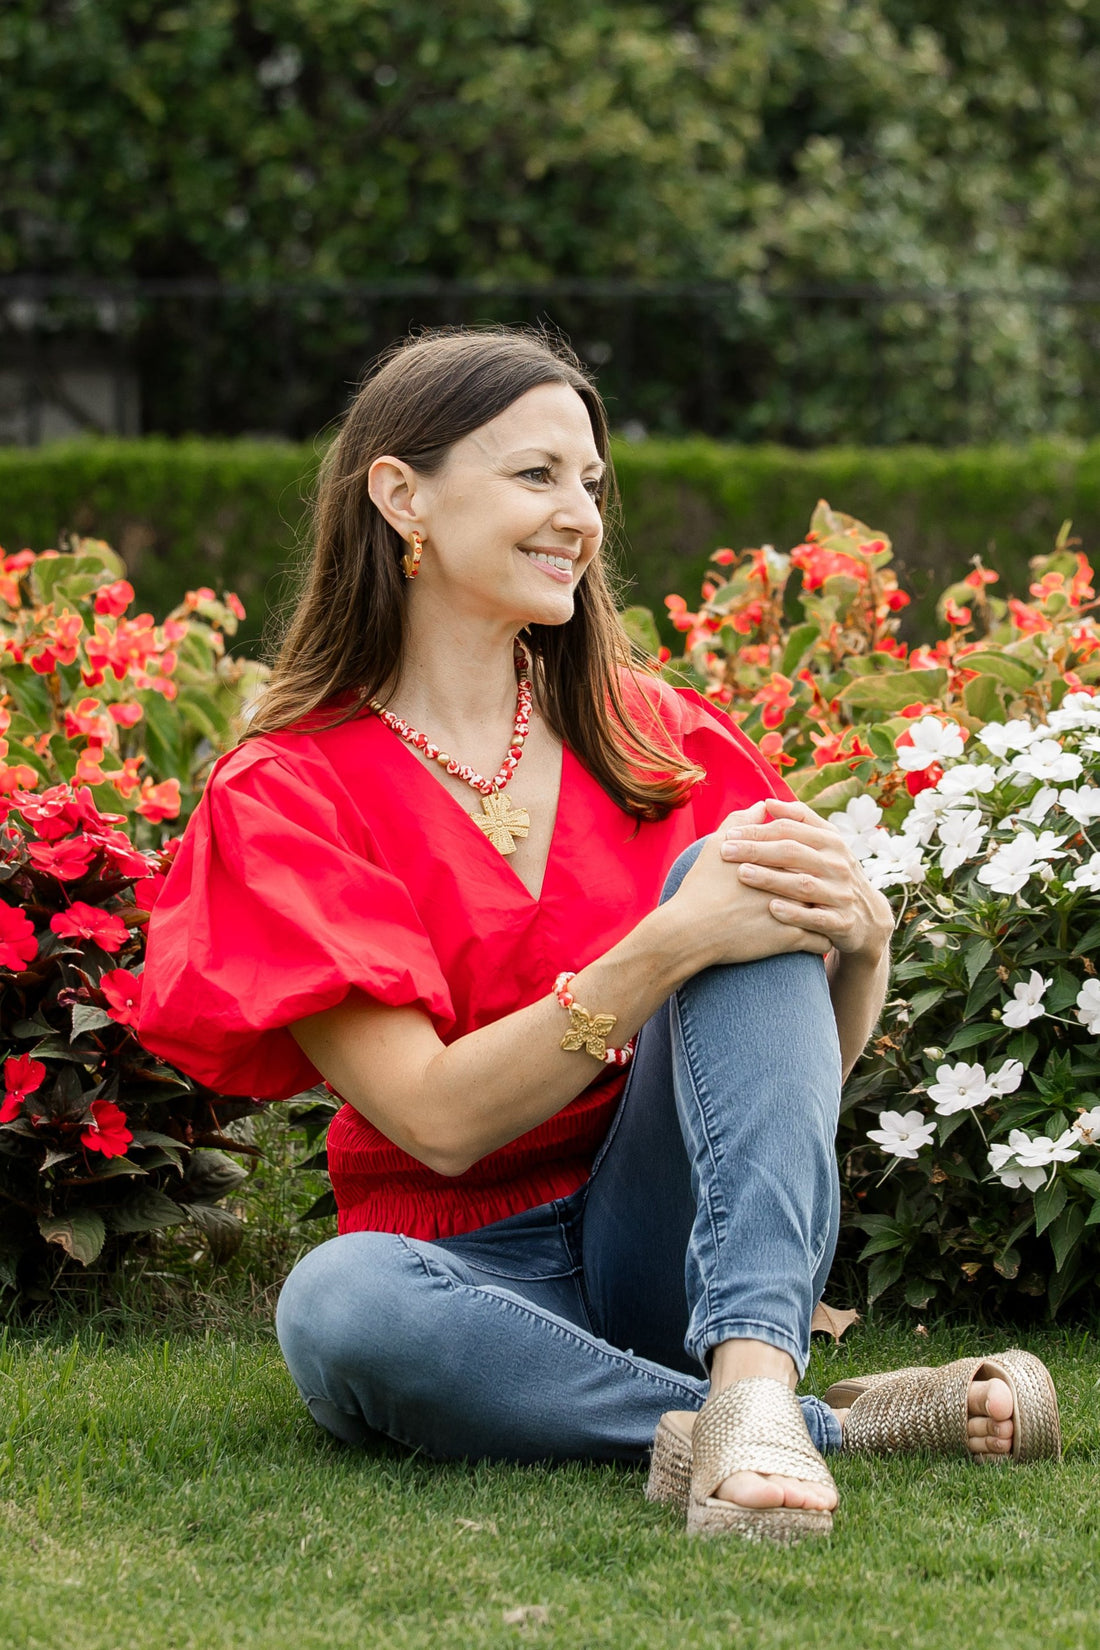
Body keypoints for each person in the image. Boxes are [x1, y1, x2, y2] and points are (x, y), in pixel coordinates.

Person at [138, 327, 1060, 1544]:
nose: (579, 515)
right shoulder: (290, 790)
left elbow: (776, 1105)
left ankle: (745, 1381)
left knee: (735, 870)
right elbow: (440, 1124)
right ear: (400, 493)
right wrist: (663, 948)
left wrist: (865, 954)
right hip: (461, 1275)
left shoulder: (659, 737)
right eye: (536, 475)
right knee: (336, 1305)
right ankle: (813, 1418)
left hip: (670, 1243)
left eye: (590, 483)